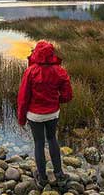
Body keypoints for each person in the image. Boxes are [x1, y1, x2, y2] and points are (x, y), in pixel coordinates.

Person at [17, 40, 73, 186]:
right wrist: (57, 100)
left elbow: (23, 98)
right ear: (51, 54)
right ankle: (59, 174)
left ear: (37, 53)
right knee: (52, 139)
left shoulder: (30, 71)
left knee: (39, 143)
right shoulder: (59, 70)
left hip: (35, 115)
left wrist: (21, 119)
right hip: (53, 113)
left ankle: (42, 178)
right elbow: (68, 94)